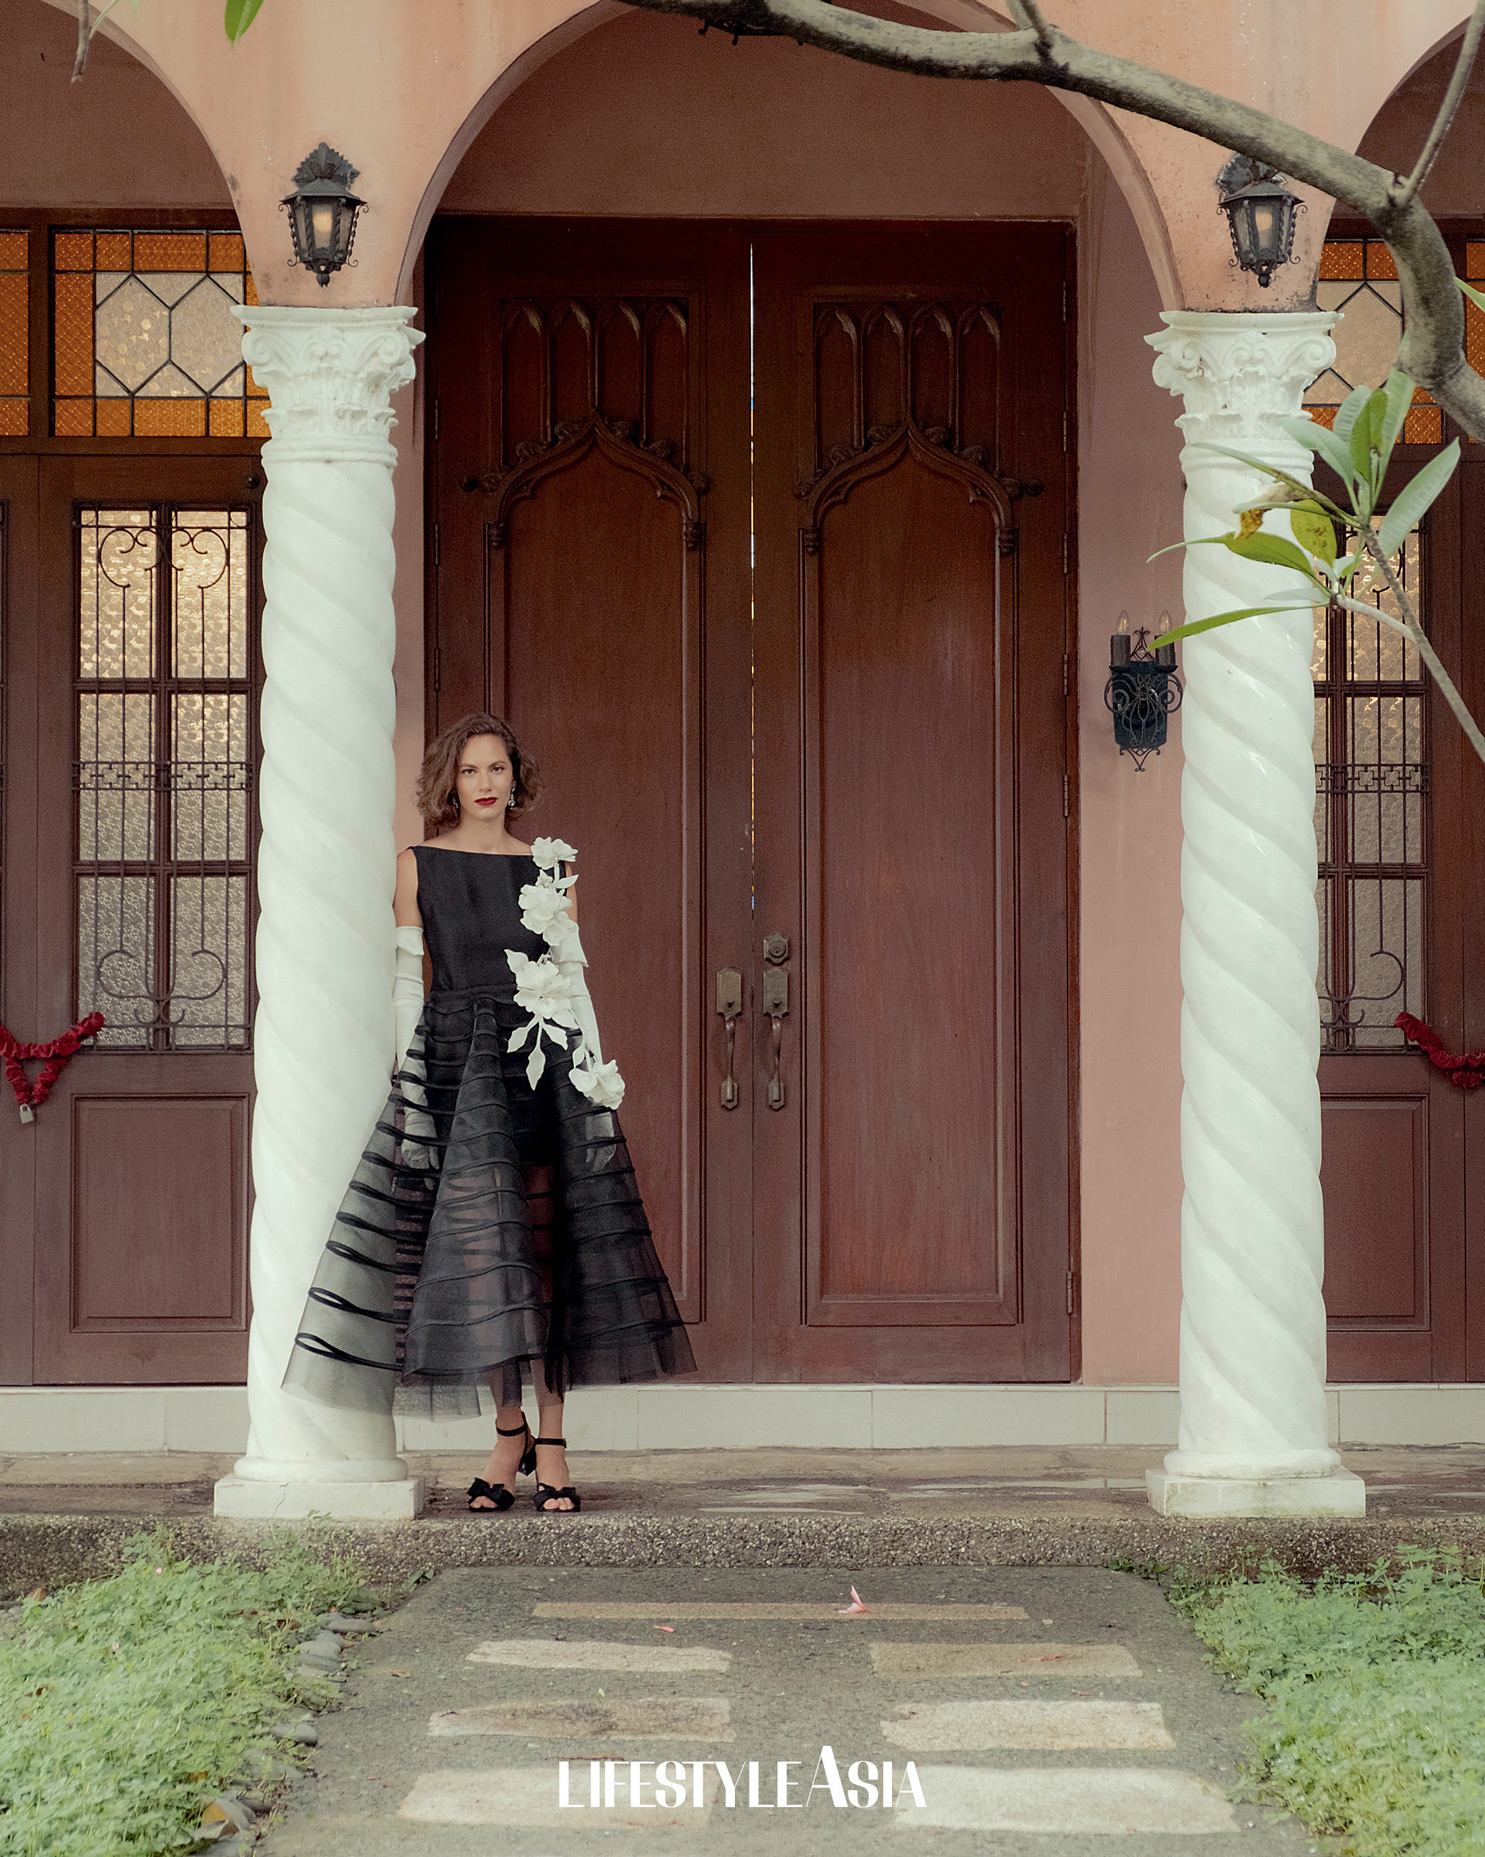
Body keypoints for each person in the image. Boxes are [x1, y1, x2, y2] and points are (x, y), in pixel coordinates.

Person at [281, 712, 697, 1513]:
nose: (483, 782)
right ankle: (509, 1431)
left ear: (515, 777)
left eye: (496, 768)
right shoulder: (417, 866)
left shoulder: (552, 868)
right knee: (485, 1254)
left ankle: (554, 1440)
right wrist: (415, 1091)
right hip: (456, 1068)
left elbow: (572, 981)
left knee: (546, 1253)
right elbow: (408, 984)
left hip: (542, 1067)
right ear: (450, 780)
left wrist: (593, 1079)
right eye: (469, 769)